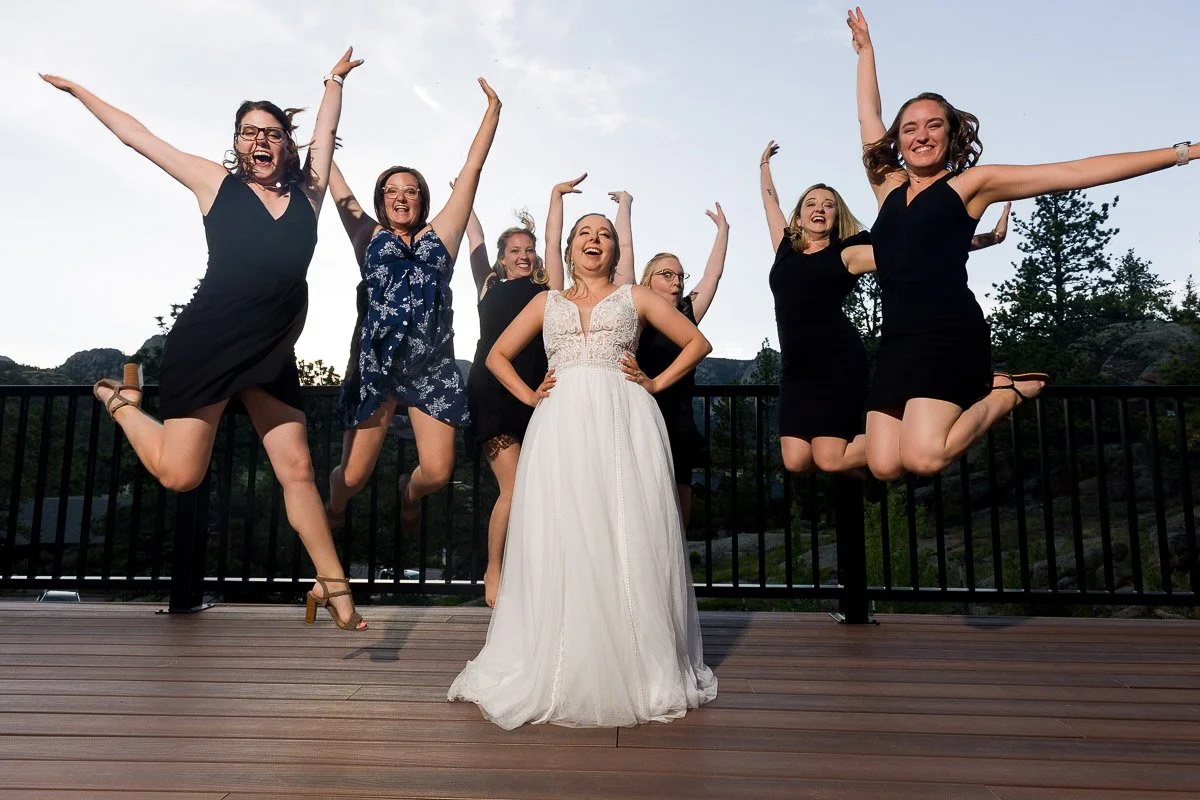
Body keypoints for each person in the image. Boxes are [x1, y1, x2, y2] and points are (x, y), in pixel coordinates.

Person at [44, 51, 368, 631]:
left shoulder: (309, 196)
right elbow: (137, 137)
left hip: (270, 352)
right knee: (180, 475)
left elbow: (327, 130)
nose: (261, 141)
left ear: (286, 145)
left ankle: (335, 586)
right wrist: (80, 92)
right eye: (250, 133)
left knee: (296, 469)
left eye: (272, 133)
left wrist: (334, 80)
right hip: (210, 341)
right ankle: (119, 402)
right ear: (238, 143)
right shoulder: (213, 184)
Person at [847, 8, 1195, 480]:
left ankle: (1005, 391)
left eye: (933, 125)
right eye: (910, 128)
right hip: (897, 340)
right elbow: (868, 114)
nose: (920, 135)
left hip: (946, 332)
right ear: (899, 140)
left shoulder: (972, 184)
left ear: (951, 136)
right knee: (885, 464)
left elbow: (1073, 173)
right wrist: (867, 52)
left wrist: (1183, 152)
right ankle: (993, 393)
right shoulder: (887, 186)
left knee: (924, 457)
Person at [447, 195, 718, 728]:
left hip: (626, 417)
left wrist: (656, 382)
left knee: (627, 526)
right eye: (583, 233)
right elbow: (497, 355)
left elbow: (697, 341)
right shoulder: (547, 302)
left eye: (604, 234)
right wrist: (528, 396)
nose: (594, 239)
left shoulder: (635, 295)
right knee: (564, 528)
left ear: (615, 249)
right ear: (569, 249)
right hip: (561, 418)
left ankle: (639, 660)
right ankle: (563, 656)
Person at [759, 141, 1009, 475]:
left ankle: (903, 444)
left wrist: (987, 239)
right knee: (795, 460)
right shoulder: (784, 249)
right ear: (800, 216)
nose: (820, 209)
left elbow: (918, 248)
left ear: (837, 217)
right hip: (795, 367)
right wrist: (764, 166)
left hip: (835, 362)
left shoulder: (848, 254)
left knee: (830, 459)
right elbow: (770, 202)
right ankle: (875, 468)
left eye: (829, 205)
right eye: (812, 203)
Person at [324, 79, 501, 536]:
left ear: (422, 199)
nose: (401, 197)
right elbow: (330, 179)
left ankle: (409, 489)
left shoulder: (442, 236)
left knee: (439, 472)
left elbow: (473, 171)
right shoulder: (369, 236)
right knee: (353, 476)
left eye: (411, 191)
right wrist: (331, 100)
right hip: (376, 364)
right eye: (391, 192)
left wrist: (492, 113)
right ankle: (334, 503)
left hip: (431, 366)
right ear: (382, 200)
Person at [462, 206, 550, 608]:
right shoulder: (488, 285)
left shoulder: (548, 292)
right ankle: (493, 570)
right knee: (513, 489)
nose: (523, 256)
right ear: (503, 257)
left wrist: (557, 199)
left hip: (537, 394)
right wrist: (467, 200)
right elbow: (474, 243)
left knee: (540, 493)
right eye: (515, 250)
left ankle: (534, 576)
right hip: (493, 390)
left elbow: (554, 235)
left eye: (529, 250)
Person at [627, 204, 729, 527]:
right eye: (667, 274)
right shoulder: (634, 315)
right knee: (642, 514)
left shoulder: (687, 313)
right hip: (641, 420)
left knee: (677, 521)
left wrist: (723, 231)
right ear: (648, 280)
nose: (677, 282)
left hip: (679, 424)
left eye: (681, 276)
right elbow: (624, 263)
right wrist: (627, 208)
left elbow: (712, 275)